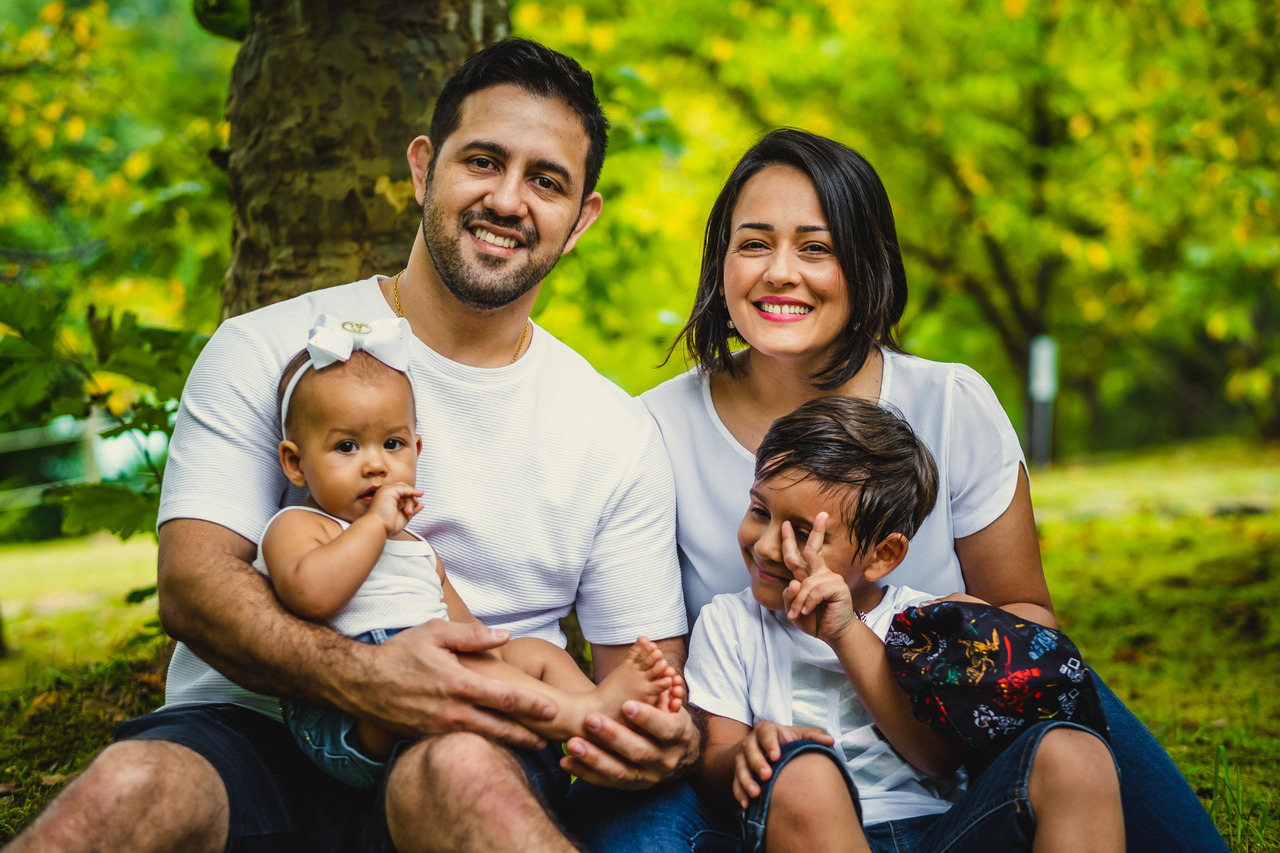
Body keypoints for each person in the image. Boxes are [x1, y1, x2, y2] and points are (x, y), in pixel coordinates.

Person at [10, 38, 699, 853]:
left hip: (475, 740)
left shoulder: (613, 431)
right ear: (422, 168)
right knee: (131, 786)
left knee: (464, 776)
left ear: (581, 217)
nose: (508, 199)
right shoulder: (266, 348)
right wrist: (372, 678)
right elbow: (193, 586)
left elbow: (637, 678)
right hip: (248, 732)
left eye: (546, 180)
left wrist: (654, 733)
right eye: (483, 160)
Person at [633, 129, 1229, 852]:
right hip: (763, 768)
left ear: (866, 266)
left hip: (950, 750)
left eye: (816, 247)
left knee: (1073, 721)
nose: (780, 272)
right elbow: (656, 674)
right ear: (720, 263)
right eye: (753, 244)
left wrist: (924, 640)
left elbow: (1028, 621)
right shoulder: (654, 428)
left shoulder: (951, 401)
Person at [261, 318, 683, 790]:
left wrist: (504, 662)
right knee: (454, 661)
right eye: (346, 446)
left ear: (417, 449)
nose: (376, 463)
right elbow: (309, 596)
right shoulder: (299, 525)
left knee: (535, 653)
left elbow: (465, 633)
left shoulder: (417, 547)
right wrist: (376, 526)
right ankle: (579, 716)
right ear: (295, 464)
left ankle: (608, 726)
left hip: (438, 684)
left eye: (393, 444)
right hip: (345, 719)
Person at [688, 395, 1123, 852]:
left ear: (883, 555)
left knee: (1076, 753)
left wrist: (845, 632)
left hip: (946, 832)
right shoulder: (730, 624)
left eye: (801, 533)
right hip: (814, 833)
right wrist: (749, 753)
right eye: (760, 512)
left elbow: (934, 758)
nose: (765, 546)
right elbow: (714, 762)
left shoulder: (927, 624)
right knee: (803, 774)